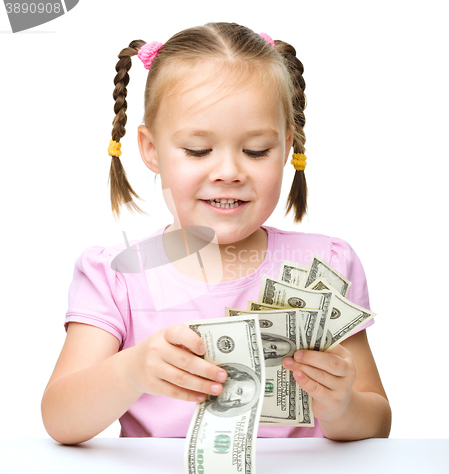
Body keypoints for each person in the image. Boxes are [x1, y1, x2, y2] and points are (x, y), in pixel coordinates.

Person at [41, 22, 391, 444]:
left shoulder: (326, 265)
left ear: (287, 146)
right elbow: (60, 420)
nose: (228, 172)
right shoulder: (116, 276)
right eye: (198, 150)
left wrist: (342, 405)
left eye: (256, 150)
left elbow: (377, 422)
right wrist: (130, 371)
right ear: (151, 150)